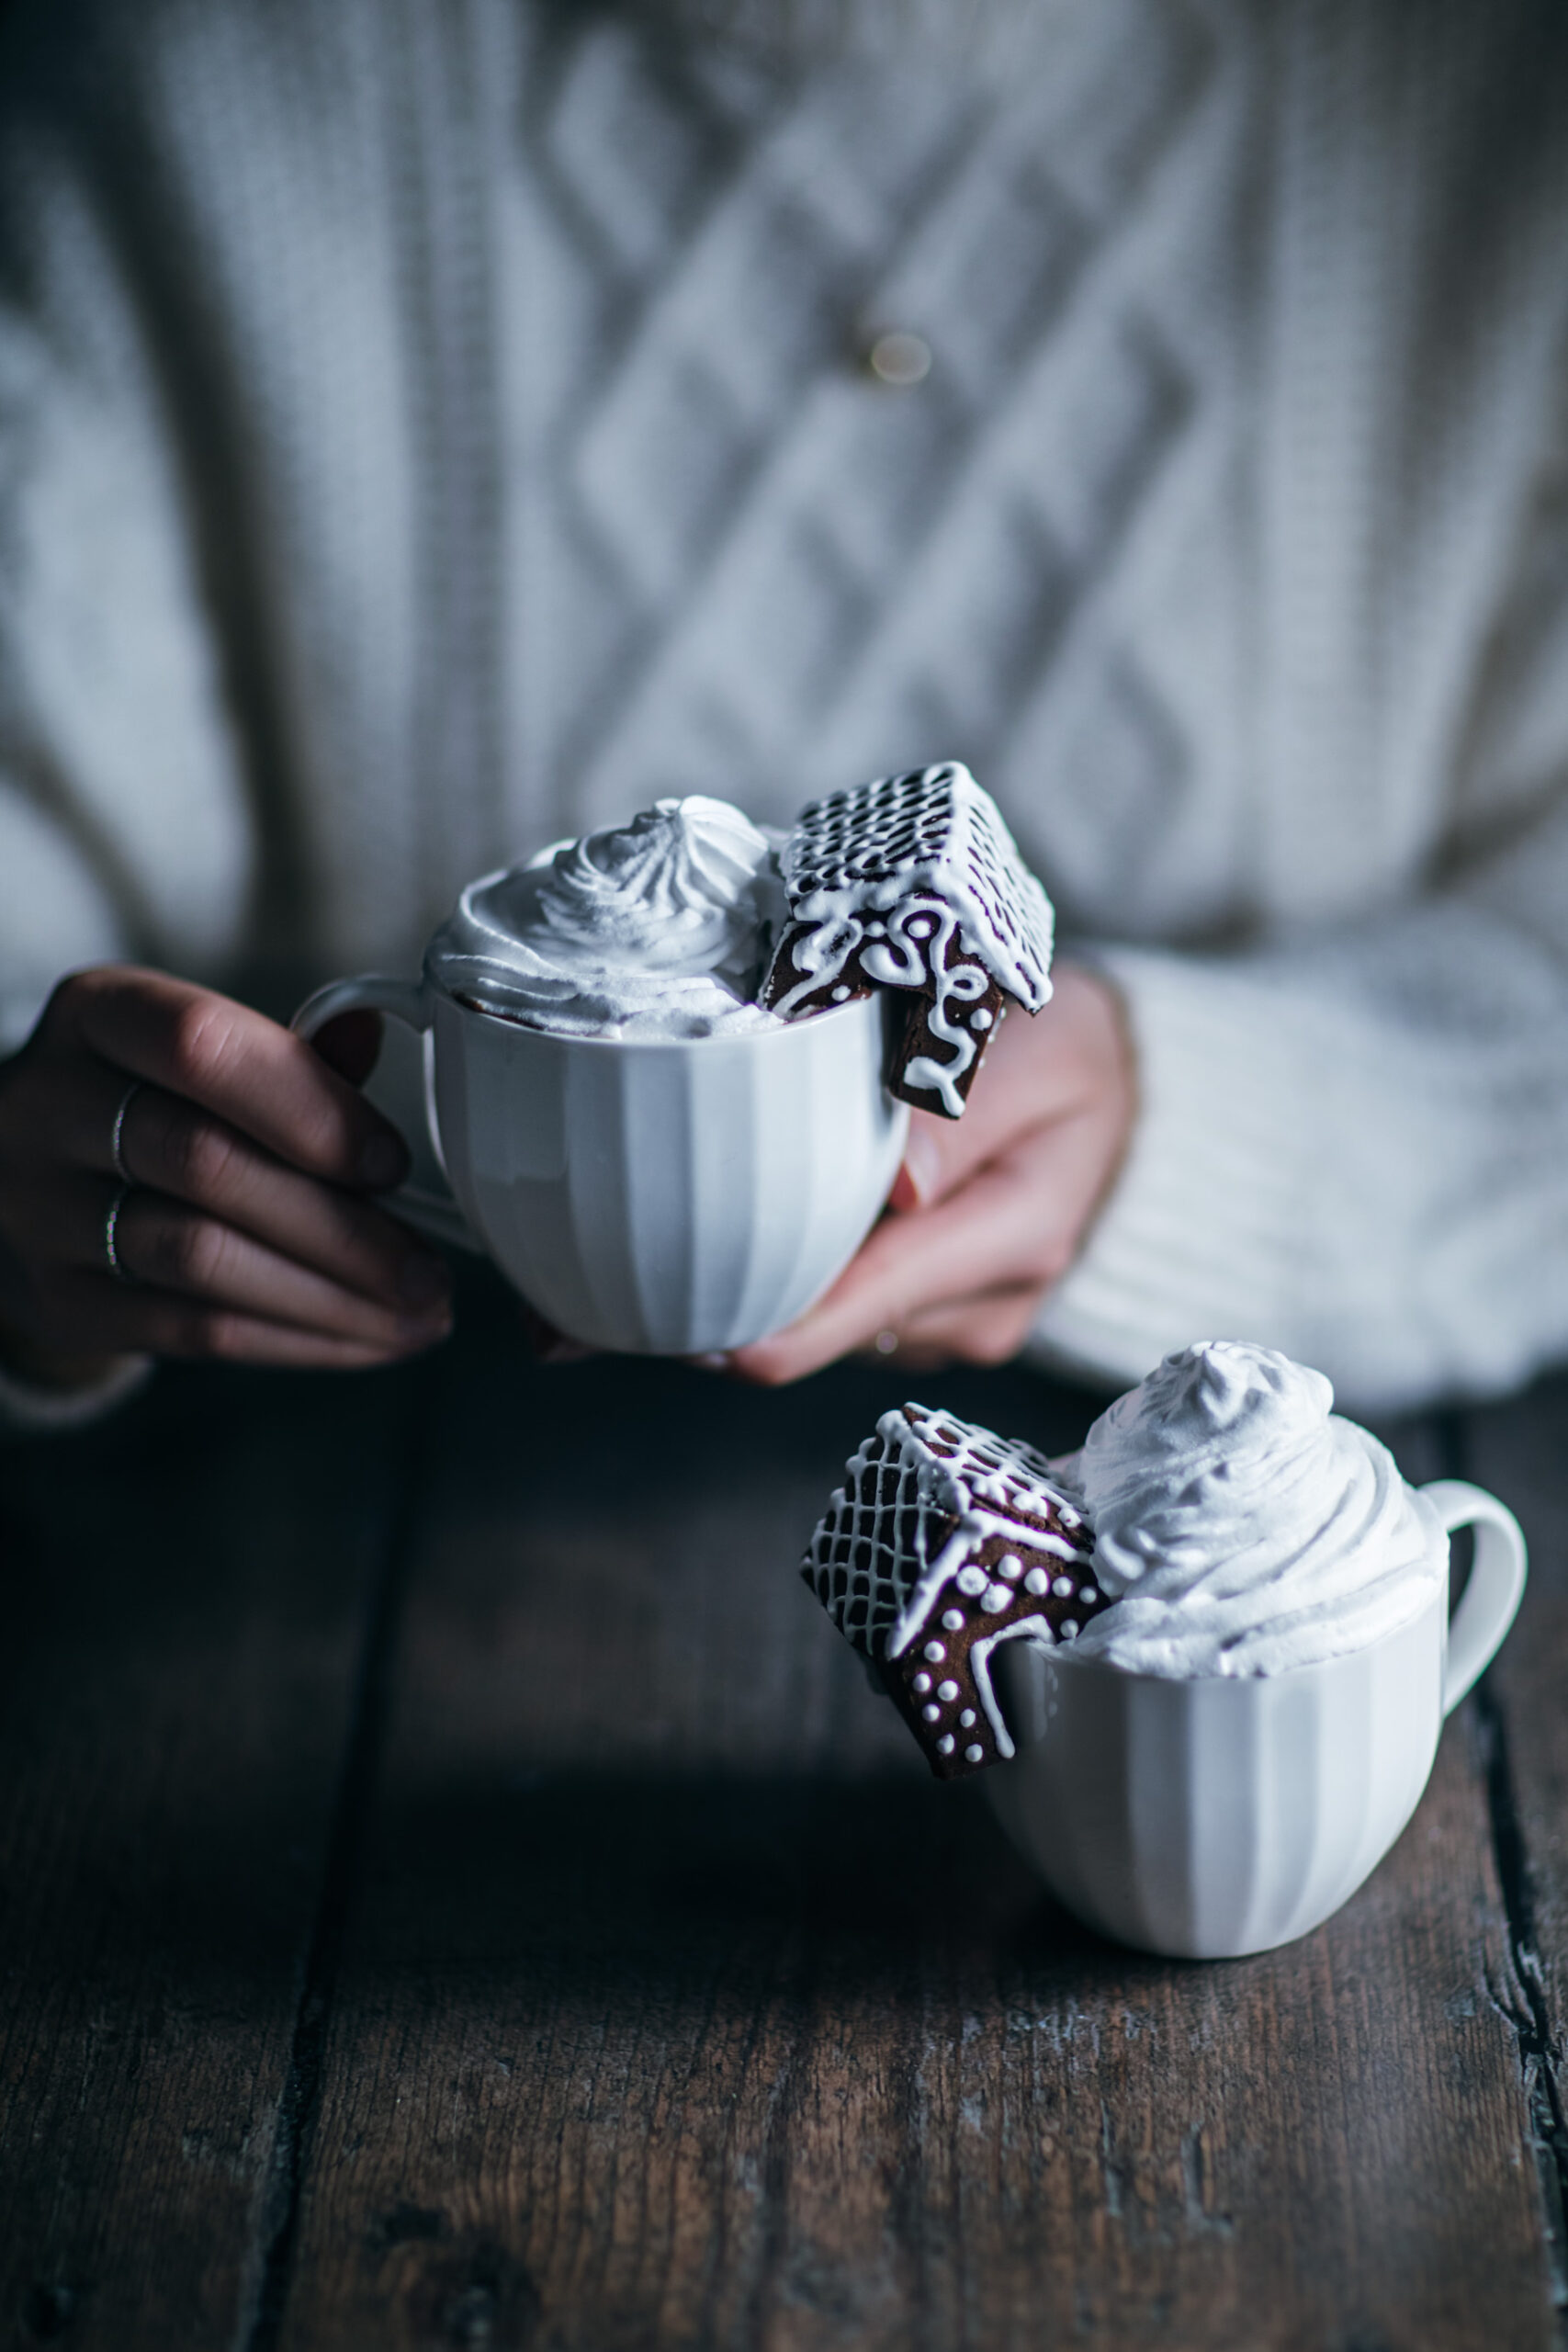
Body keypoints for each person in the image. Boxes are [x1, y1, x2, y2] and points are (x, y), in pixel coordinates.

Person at [3, 0, 1568, 1428]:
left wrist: (1185, 1124)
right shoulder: (187, 89)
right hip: (311, 1493)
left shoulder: (1493, 102)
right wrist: (41, 1191)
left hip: (1291, 1469)